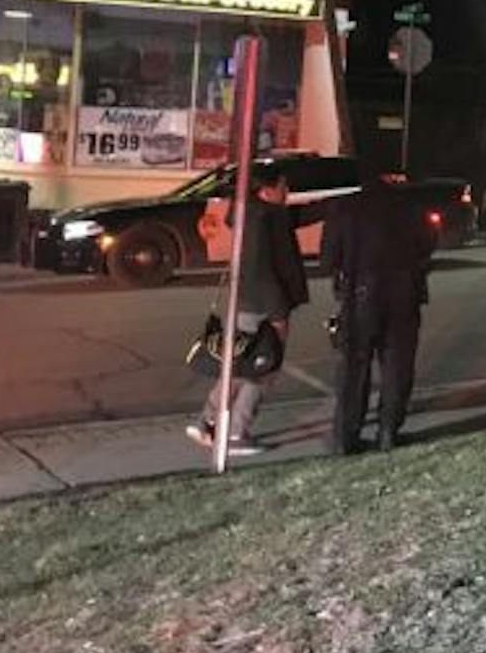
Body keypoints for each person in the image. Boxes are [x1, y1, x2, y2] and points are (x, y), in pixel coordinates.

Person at [186, 161, 306, 457]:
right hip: (264, 304)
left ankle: (208, 421)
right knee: (262, 368)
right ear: (266, 190)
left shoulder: (249, 213)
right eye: (283, 185)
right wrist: (278, 312)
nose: (287, 191)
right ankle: (237, 432)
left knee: (238, 364)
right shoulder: (263, 220)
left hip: (247, 301)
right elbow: (261, 268)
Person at [321, 167, 439, 453]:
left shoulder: (345, 208)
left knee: (354, 367)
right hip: (404, 292)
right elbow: (428, 244)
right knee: (397, 366)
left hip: (359, 293)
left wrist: (343, 273)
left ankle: (346, 436)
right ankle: (388, 430)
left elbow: (327, 257)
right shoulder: (410, 207)